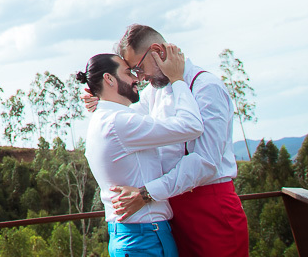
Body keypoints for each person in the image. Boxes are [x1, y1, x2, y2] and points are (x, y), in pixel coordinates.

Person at [108, 24, 250, 257]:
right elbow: (129, 120)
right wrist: (102, 99)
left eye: (139, 68)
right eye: (135, 73)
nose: (141, 78)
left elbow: (206, 162)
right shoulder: (156, 91)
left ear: (157, 51)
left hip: (211, 208)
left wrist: (146, 193)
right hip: (173, 207)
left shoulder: (206, 87)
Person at [80, 45, 202, 257]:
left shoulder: (102, 119)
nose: (136, 79)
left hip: (132, 235)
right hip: (145, 238)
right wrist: (177, 79)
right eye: (128, 73)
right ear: (109, 79)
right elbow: (191, 126)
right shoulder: (120, 122)